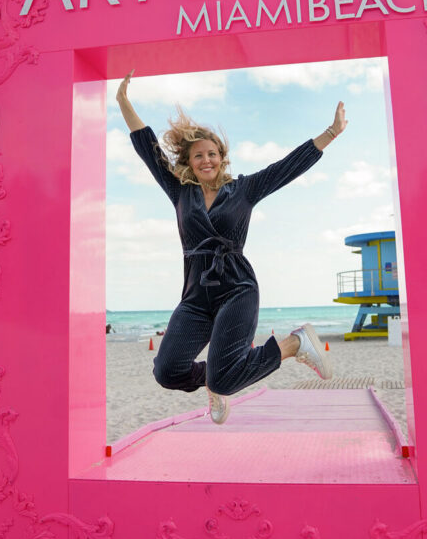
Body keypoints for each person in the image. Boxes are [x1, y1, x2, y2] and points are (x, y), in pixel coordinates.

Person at [116, 70, 348, 425]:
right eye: (198, 156)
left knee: (226, 377)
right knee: (167, 370)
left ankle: (292, 344)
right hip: (195, 296)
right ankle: (212, 381)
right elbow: (149, 150)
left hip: (236, 289)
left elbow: (286, 167)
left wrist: (331, 133)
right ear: (189, 163)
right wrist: (123, 102)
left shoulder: (244, 189)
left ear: (221, 156)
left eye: (211, 154)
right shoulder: (180, 191)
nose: (206, 160)